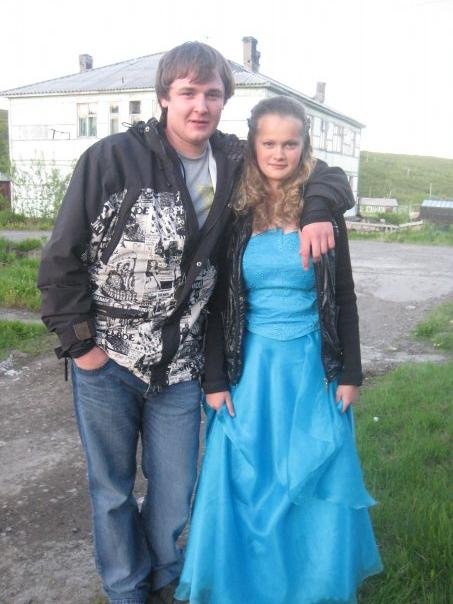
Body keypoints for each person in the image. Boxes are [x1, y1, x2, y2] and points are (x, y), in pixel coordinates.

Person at [38, 42, 356, 604]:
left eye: (212, 94)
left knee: (175, 486)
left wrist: (316, 209)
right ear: (164, 96)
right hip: (108, 358)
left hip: (182, 366)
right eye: (188, 93)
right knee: (112, 488)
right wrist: (81, 345)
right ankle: (126, 587)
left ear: (224, 101)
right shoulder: (112, 158)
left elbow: (319, 169)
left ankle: (164, 574)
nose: (200, 105)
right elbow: (61, 258)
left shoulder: (232, 162)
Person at [175, 96, 383, 604]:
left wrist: (350, 373)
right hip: (253, 367)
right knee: (248, 478)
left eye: (290, 143)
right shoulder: (235, 211)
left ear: (303, 146)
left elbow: (344, 297)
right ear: (253, 143)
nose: (279, 153)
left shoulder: (322, 208)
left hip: (311, 366)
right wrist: (215, 380)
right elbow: (219, 304)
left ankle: (312, 581)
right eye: (268, 142)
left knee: (311, 472)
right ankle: (247, 581)